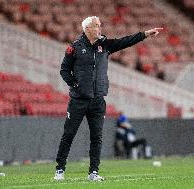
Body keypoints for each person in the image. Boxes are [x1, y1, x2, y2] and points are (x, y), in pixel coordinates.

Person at [54, 16, 162, 181]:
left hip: (98, 99)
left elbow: (125, 41)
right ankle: (60, 170)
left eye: (99, 25)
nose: (100, 28)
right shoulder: (74, 47)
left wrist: (145, 34)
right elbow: (64, 70)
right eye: (96, 26)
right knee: (68, 135)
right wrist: (75, 85)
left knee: (96, 137)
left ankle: (93, 173)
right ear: (87, 29)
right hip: (78, 100)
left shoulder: (105, 45)